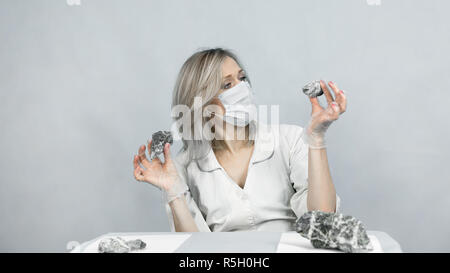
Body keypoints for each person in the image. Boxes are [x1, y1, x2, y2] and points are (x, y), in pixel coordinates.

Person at [133, 47, 347, 232]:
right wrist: (173, 190)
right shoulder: (184, 165)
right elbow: (194, 249)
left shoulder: (290, 140)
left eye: (242, 78)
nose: (242, 88)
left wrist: (317, 138)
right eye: (227, 85)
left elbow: (323, 220)